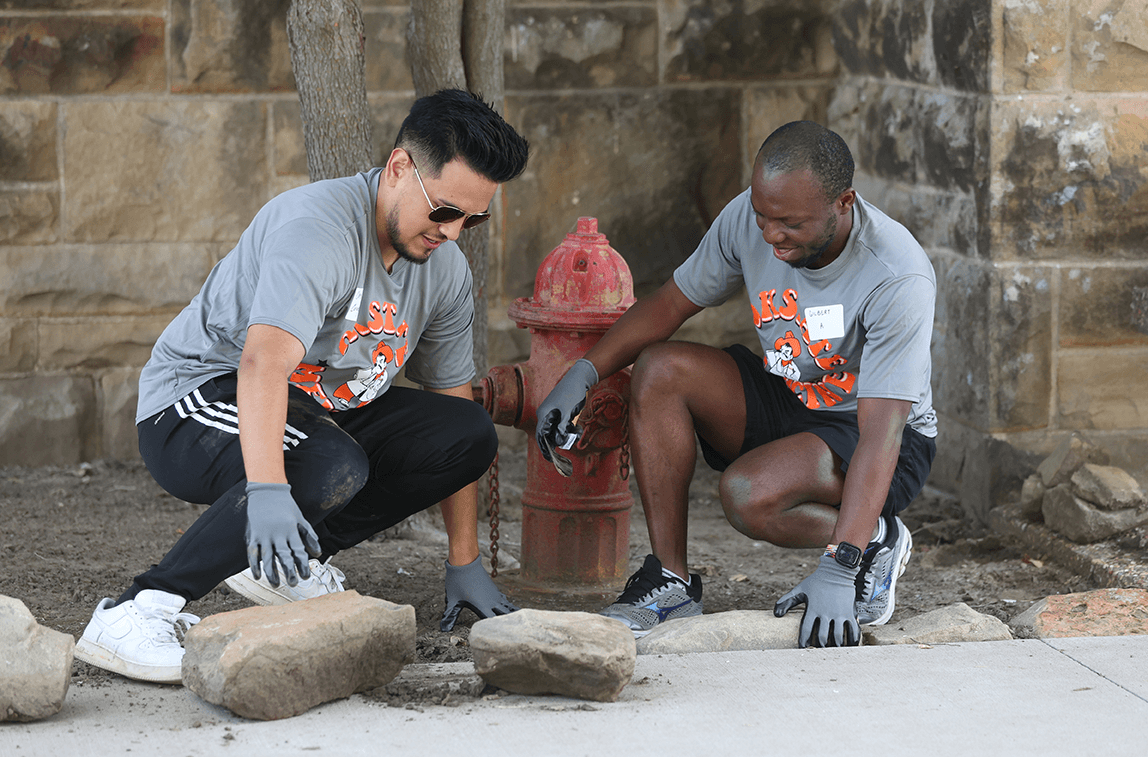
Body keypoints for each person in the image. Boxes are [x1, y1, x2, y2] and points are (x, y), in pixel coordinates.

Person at [75, 89, 529, 684]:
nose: (455, 232)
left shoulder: (442, 269)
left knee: (467, 433)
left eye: (475, 218)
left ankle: (285, 562)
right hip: (195, 403)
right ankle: (139, 607)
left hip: (311, 413)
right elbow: (262, 365)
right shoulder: (318, 228)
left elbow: (453, 404)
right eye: (445, 211)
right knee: (325, 461)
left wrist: (463, 561)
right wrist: (267, 491)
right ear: (398, 168)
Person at [536, 121, 937, 648]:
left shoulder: (896, 275)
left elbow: (882, 435)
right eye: (762, 216)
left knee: (748, 496)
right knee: (659, 369)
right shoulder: (753, 218)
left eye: (789, 224)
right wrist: (584, 372)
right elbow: (669, 305)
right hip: (790, 394)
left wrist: (840, 568)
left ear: (843, 203)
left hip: (879, 433)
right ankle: (670, 582)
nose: (770, 236)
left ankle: (872, 543)